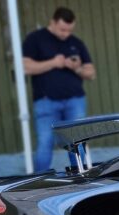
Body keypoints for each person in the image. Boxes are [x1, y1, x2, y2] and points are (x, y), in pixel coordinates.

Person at [22, 7, 94, 173]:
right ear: (52, 22)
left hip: (75, 100)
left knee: (77, 141)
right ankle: (40, 180)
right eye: (62, 29)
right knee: (45, 141)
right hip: (46, 101)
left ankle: (80, 177)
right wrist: (54, 63)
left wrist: (76, 68)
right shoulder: (35, 39)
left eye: (69, 30)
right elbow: (25, 67)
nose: (65, 34)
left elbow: (91, 73)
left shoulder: (76, 43)